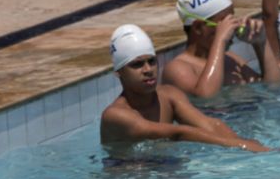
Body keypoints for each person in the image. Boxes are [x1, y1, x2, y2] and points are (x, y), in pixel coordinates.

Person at [100, 24, 270, 152]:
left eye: (151, 61)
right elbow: (177, 133)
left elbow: (209, 124)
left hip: (166, 169)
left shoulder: (169, 95)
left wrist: (245, 144)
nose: (148, 70)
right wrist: (239, 145)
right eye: (137, 65)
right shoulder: (116, 115)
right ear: (118, 72)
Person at [162, 0, 280, 98]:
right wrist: (220, 40)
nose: (233, 26)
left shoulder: (230, 59)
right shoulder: (177, 69)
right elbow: (208, 98)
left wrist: (260, 43)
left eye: (233, 18)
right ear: (198, 28)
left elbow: (273, 88)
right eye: (225, 23)